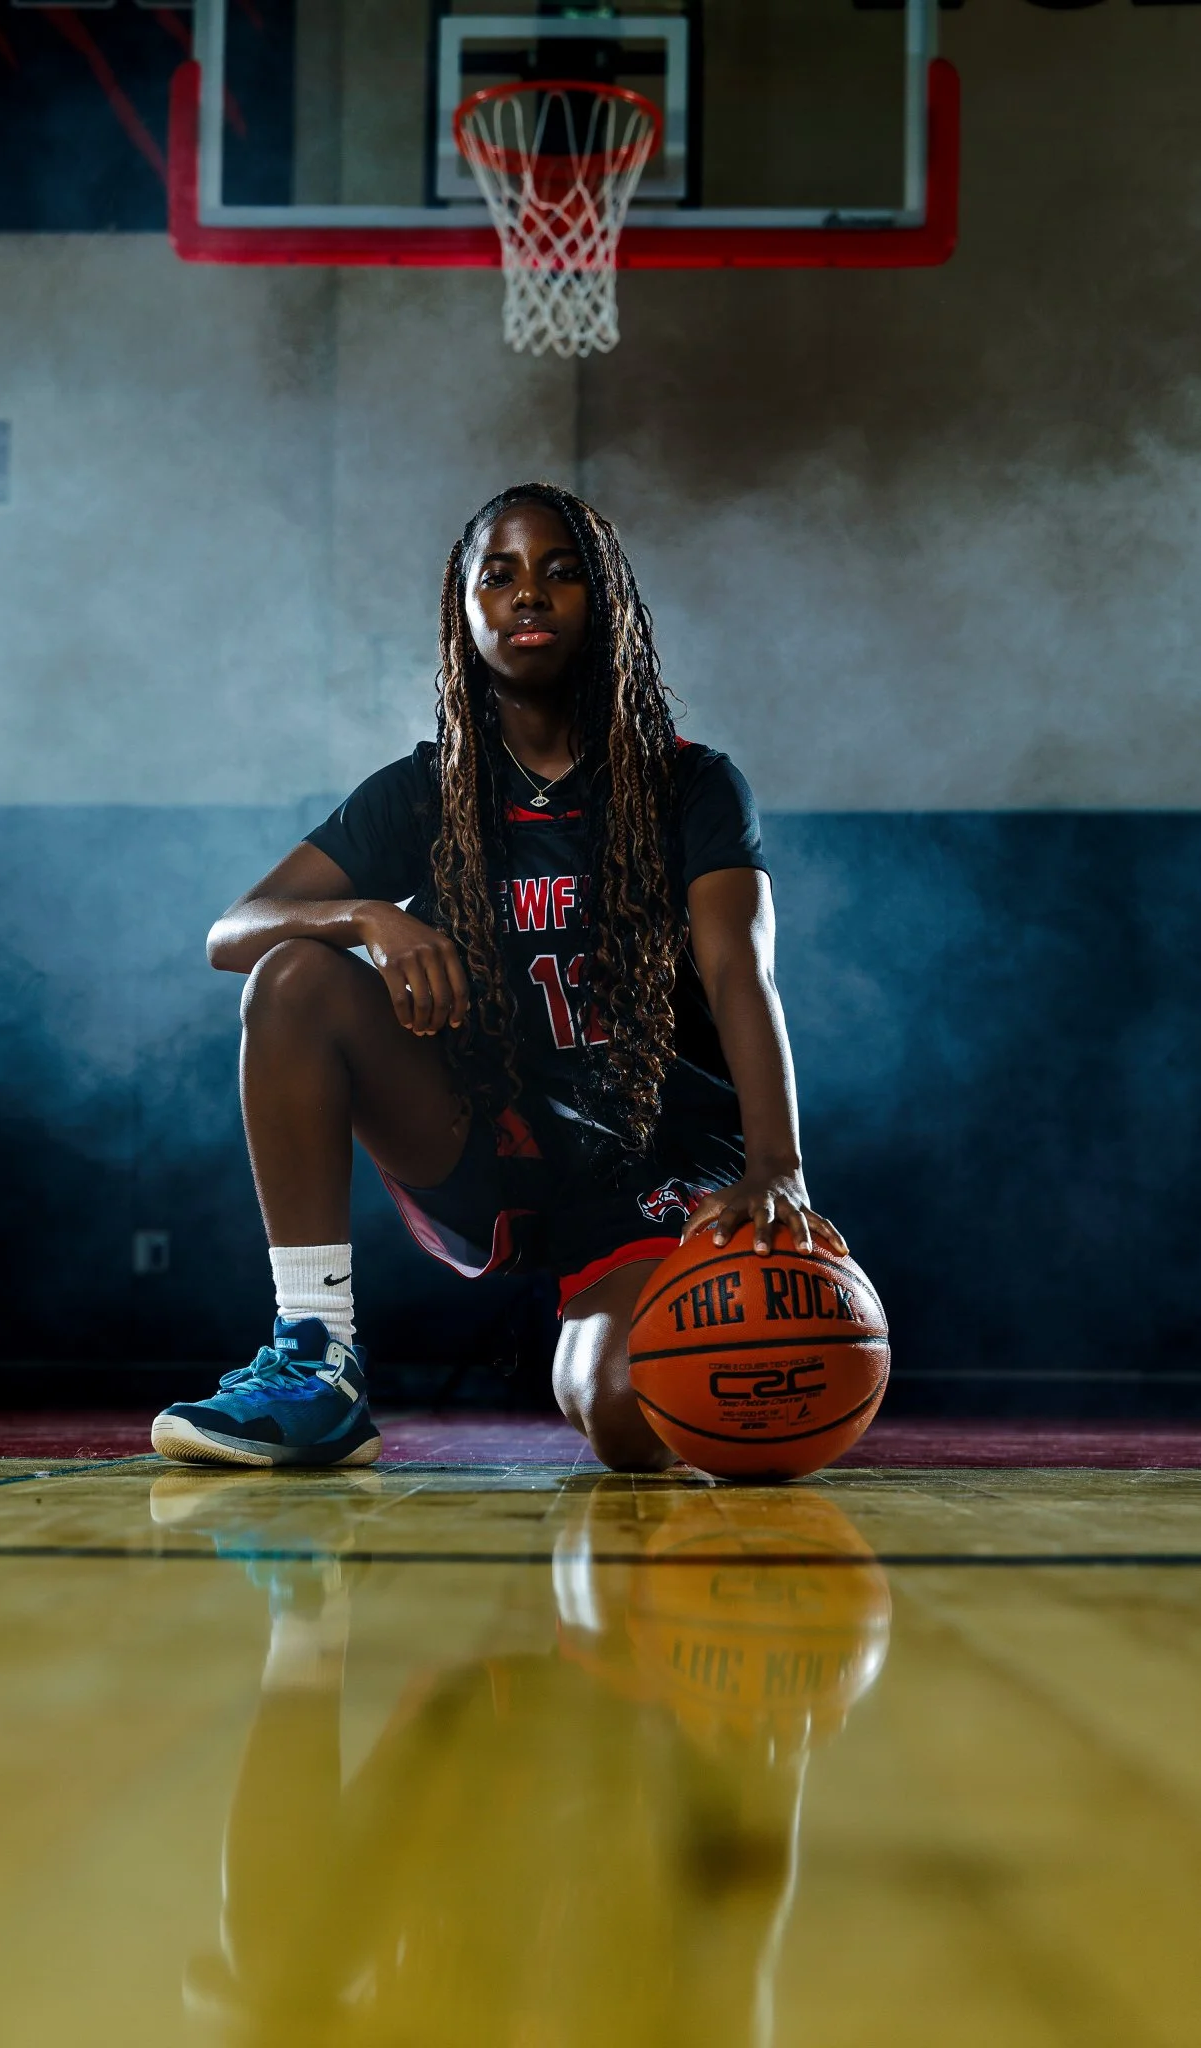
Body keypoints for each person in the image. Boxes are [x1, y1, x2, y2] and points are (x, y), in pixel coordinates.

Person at [152, 482, 847, 1472]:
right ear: (463, 608)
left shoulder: (689, 784)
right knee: (292, 976)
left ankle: (634, 1340)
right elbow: (234, 929)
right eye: (501, 574)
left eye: (561, 573)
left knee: (628, 1408)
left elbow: (741, 969)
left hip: (648, 1167)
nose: (530, 595)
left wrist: (775, 1163)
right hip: (485, 1140)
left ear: (603, 605)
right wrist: (367, 916)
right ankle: (315, 1359)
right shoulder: (425, 793)